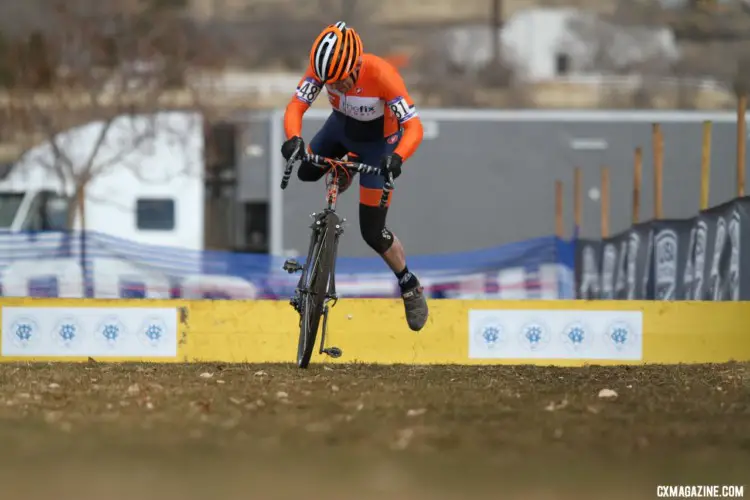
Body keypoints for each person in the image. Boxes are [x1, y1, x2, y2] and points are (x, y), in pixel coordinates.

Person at [280, 21, 429, 332]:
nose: (337, 87)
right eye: (330, 83)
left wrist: (398, 157)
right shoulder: (322, 70)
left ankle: (409, 283)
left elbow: (415, 127)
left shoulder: (382, 74)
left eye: (342, 81)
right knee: (307, 170)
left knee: (372, 232)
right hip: (341, 129)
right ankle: (345, 162)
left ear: (357, 63)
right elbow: (296, 105)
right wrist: (294, 137)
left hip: (380, 145)